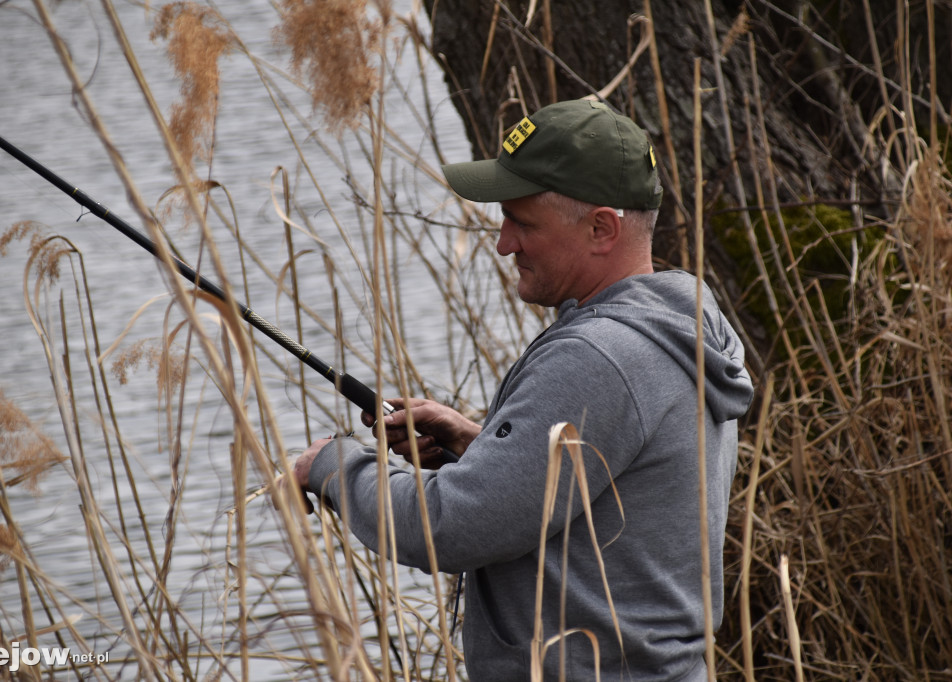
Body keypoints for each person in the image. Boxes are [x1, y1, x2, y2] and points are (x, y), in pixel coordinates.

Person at [292, 99, 754, 680]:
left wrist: (335, 467)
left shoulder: (599, 359)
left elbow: (451, 528)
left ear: (601, 228)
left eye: (523, 223)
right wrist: (477, 442)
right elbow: (602, 491)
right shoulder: (675, 328)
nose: (504, 243)